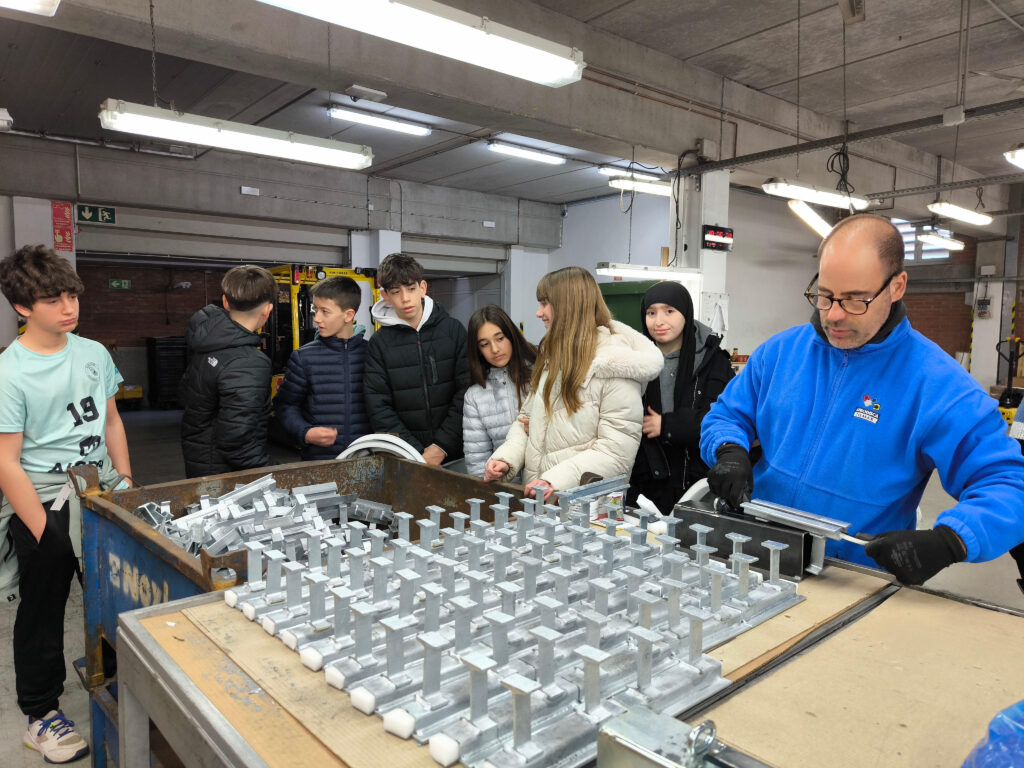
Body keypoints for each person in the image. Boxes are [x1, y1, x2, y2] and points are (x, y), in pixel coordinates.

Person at [700, 213, 1024, 586]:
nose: (834, 315)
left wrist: (951, 540)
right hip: (754, 553)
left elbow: (1008, 483)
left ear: (897, 286)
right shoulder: (781, 352)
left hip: (850, 577)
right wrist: (729, 450)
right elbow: (727, 415)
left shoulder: (939, 385)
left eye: (856, 300)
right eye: (824, 296)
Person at [0, 245, 133, 763]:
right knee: (43, 609)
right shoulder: (10, 372)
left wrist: (126, 480)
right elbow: (6, 461)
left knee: (118, 592)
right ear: (22, 307)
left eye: (72, 296)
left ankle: (121, 681)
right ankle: (41, 715)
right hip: (42, 501)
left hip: (101, 490)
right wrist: (43, 530)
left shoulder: (93, 353)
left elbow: (112, 421)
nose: (68, 307)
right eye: (53, 300)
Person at [484, 266, 663, 499]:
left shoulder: (616, 366)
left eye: (545, 303)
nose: (539, 313)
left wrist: (553, 481)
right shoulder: (552, 357)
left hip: (586, 508)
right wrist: (506, 459)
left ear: (569, 306)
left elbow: (615, 454)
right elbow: (526, 422)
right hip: (543, 501)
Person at [627, 282, 733, 515]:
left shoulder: (713, 361)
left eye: (669, 311)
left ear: (686, 313)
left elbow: (722, 420)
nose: (659, 321)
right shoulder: (633, 360)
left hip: (696, 485)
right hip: (644, 485)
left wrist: (668, 425)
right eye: (651, 313)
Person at [364, 253, 469, 465]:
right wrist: (415, 453)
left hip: (456, 452)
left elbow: (467, 392)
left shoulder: (453, 330)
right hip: (407, 458)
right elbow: (378, 406)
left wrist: (441, 446)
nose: (405, 298)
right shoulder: (379, 344)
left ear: (423, 288)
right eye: (396, 292)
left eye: (411, 289)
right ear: (385, 296)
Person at [179, 265, 276, 478]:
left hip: (200, 461)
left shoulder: (205, 341)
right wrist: (271, 473)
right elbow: (236, 441)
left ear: (224, 302)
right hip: (227, 477)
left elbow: (187, 394)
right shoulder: (249, 363)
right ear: (267, 310)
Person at [274, 276, 370, 460]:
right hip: (319, 462)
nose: (316, 318)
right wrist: (305, 432)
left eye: (325, 311)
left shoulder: (372, 354)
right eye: (315, 309)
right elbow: (285, 405)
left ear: (348, 315)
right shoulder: (303, 357)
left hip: (366, 461)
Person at [462, 305, 537, 478]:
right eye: (484, 344)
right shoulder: (474, 396)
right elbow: (477, 463)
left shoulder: (541, 373)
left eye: (500, 338)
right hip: (505, 490)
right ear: (478, 350)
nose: (494, 349)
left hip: (549, 485)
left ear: (511, 335)